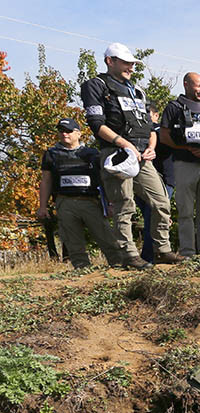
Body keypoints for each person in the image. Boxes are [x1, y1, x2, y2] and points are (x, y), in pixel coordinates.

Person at [80, 42, 176, 268]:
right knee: (124, 204)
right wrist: (124, 144)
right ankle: (128, 256)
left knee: (161, 202)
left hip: (143, 155)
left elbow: (150, 126)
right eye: (126, 63)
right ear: (109, 61)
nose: (131, 68)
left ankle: (163, 250)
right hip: (117, 154)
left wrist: (152, 145)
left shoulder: (138, 90)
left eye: (133, 64)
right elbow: (96, 125)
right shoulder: (96, 85)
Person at [36, 118, 124, 269]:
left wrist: (109, 203)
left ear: (78, 133)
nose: (64, 134)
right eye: (61, 130)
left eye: (68, 131)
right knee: (72, 241)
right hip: (64, 202)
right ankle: (82, 270)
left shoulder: (91, 154)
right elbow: (46, 181)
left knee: (106, 237)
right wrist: (42, 206)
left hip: (90, 202)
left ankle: (119, 266)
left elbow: (104, 180)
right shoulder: (51, 154)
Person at [160, 72, 200, 257]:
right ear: (186, 84)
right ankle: (187, 252)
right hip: (183, 164)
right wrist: (186, 148)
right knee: (185, 211)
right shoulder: (174, 107)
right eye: (198, 86)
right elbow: (164, 136)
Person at [135, 101, 175, 263]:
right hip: (140, 179)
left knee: (154, 214)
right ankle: (150, 255)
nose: (144, 117)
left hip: (165, 180)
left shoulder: (159, 131)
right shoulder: (137, 131)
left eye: (147, 114)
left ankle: (150, 257)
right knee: (149, 217)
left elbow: (164, 140)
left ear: (156, 116)